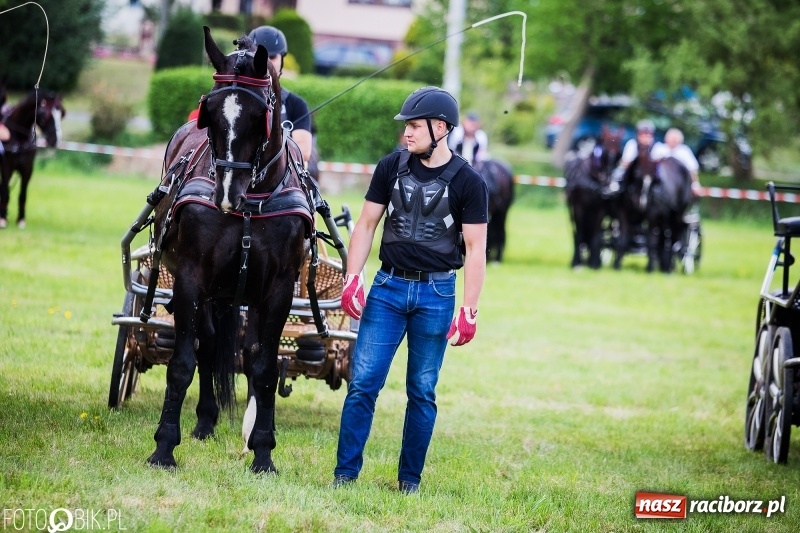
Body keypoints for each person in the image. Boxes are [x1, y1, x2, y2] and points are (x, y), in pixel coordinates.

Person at [333, 86, 489, 494]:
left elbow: (475, 251)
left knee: (421, 390)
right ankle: (344, 476)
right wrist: (354, 277)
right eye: (406, 126)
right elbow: (366, 224)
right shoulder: (390, 167)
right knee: (363, 383)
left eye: (415, 126)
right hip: (387, 288)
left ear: (441, 128)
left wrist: (469, 310)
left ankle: (409, 482)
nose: (407, 133)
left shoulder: (470, 182)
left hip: (437, 296)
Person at [248, 25, 313, 166]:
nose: (267, 62)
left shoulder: (296, 105)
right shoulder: (237, 100)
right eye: (259, 56)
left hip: (281, 181)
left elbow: (304, 151)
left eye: (272, 56)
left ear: (282, 59)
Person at [606, 119, 658, 194]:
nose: (645, 136)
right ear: (638, 134)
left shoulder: (657, 147)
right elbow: (625, 162)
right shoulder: (632, 144)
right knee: (618, 173)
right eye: (642, 134)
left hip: (650, 174)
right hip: (632, 172)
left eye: (648, 134)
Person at [652, 127, 701, 194]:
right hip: (658, 180)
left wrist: (695, 184)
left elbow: (692, 169)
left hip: (679, 183)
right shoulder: (659, 148)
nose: (673, 141)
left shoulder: (684, 151)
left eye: (675, 139)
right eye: (671, 138)